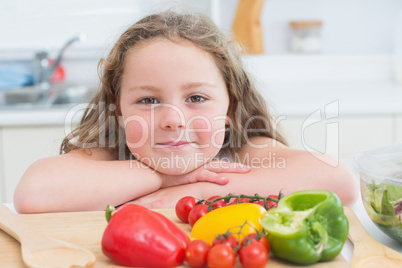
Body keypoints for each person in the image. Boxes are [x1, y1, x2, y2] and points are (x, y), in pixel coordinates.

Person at [14, 10, 357, 213]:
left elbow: (339, 181)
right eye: (148, 101)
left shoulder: (239, 151)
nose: (173, 120)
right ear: (119, 111)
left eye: (196, 98)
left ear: (229, 108)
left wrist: (200, 190)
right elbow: (34, 192)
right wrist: (166, 177)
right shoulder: (112, 153)